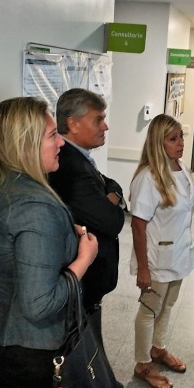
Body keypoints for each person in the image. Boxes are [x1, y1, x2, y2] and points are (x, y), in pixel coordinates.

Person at [0, 97, 98, 388]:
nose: (62, 143)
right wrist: (84, 259)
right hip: (31, 350)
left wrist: (60, 235)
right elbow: (40, 303)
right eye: (52, 135)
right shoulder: (36, 205)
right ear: (25, 143)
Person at [130, 114, 194, 388]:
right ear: (158, 142)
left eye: (181, 137)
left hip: (179, 254)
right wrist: (143, 268)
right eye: (173, 139)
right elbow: (137, 225)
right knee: (149, 310)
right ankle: (143, 363)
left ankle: (158, 348)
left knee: (168, 305)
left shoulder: (182, 170)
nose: (180, 143)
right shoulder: (148, 178)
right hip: (156, 259)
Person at [49, 88, 125, 313]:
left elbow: (110, 183)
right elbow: (113, 221)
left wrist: (112, 195)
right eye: (98, 120)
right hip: (83, 284)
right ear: (73, 124)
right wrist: (112, 201)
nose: (105, 126)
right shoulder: (70, 166)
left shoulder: (78, 158)